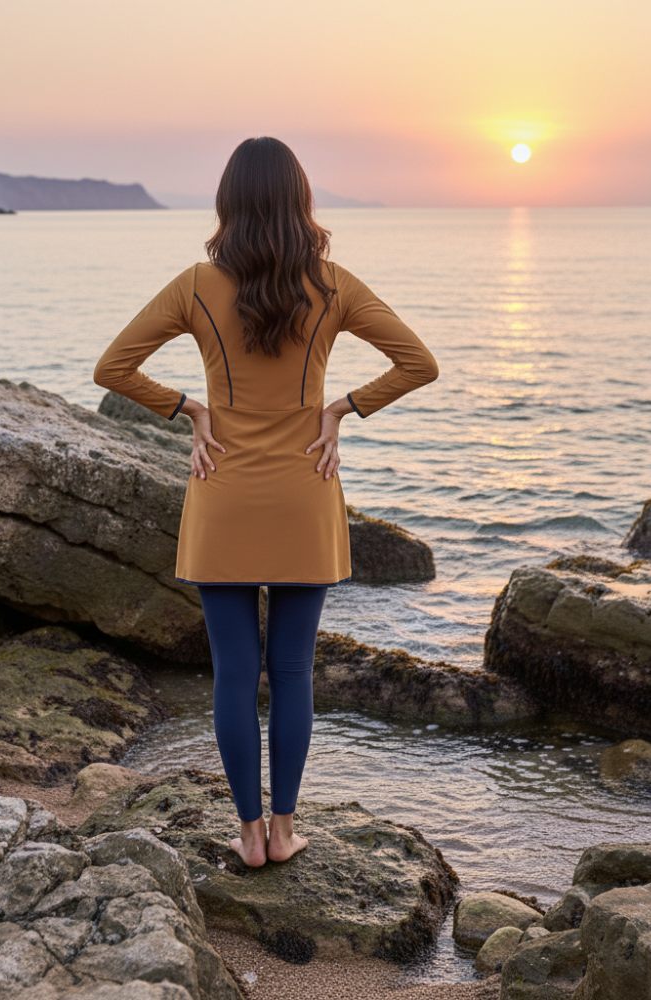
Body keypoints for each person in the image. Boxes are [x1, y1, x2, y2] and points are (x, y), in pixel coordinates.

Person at [93, 136, 439, 868]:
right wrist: (341, 408)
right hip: (304, 495)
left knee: (232, 674)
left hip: (222, 496)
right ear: (300, 201)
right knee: (289, 674)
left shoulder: (196, 285)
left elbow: (113, 368)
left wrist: (189, 409)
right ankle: (285, 832)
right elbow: (419, 363)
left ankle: (246, 836)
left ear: (229, 204)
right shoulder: (334, 284)